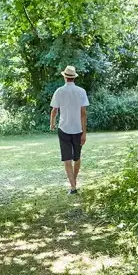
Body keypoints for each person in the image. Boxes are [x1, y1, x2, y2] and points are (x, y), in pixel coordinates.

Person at [49, 65, 89, 194]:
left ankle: (73, 186)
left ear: (65, 77)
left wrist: (52, 123)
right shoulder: (81, 91)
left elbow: (54, 110)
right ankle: (74, 181)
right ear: (74, 77)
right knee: (76, 158)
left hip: (64, 128)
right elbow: (83, 113)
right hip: (78, 129)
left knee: (67, 159)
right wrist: (84, 132)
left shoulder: (59, 91)